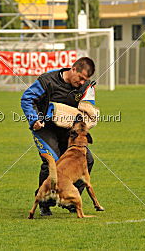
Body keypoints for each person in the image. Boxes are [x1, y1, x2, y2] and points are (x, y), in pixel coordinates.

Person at [20, 57, 97, 216]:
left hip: (68, 131)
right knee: (53, 161)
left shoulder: (85, 87)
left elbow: (88, 105)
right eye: (81, 78)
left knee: (87, 160)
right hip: (44, 128)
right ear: (73, 69)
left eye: (85, 80)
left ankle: (70, 199)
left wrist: (89, 111)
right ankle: (44, 201)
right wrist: (34, 119)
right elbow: (27, 99)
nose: (82, 82)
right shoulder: (47, 81)